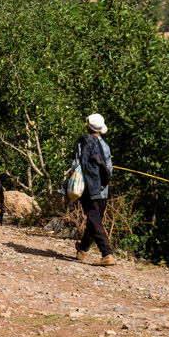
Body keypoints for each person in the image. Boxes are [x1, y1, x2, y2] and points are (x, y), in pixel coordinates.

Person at [65, 113, 115, 266]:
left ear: (88, 126)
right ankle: (82, 249)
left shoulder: (83, 143)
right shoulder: (105, 146)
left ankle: (107, 253)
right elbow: (109, 170)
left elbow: (76, 164)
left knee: (94, 220)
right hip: (103, 189)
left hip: (88, 188)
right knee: (95, 220)